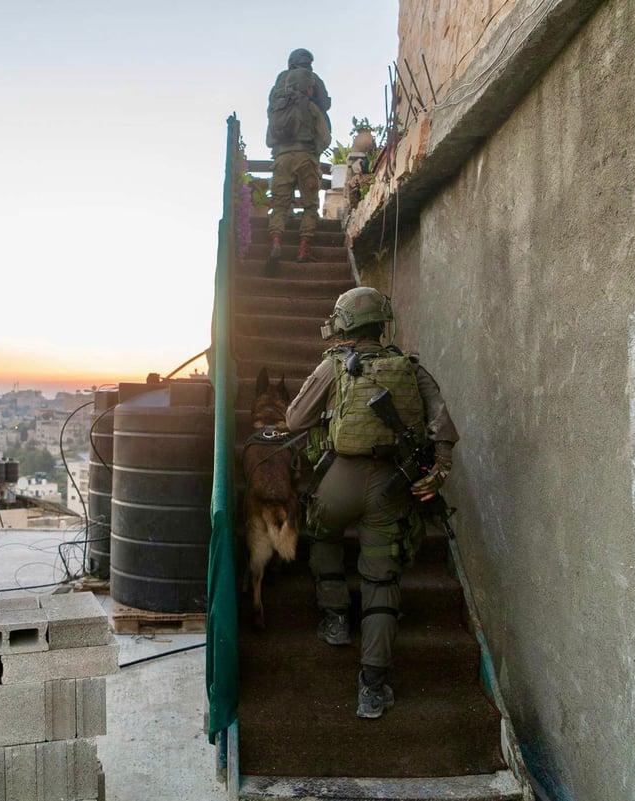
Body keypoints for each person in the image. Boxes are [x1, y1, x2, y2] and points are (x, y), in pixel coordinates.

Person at [284, 286, 458, 719]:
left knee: (321, 532)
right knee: (382, 578)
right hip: (392, 485)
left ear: (343, 324)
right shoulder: (410, 367)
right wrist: (439, 470)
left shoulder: (334, 366)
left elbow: (294, 420)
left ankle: (336, 618)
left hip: (339, 479)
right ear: (382, 324)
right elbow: (443, 425)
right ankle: (372, 686)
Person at [266, 48, 332, 268]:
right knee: (310, 205)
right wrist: (314, 151)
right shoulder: (312, 106)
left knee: (280, 205)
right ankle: (303, 249)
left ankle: (276, 242)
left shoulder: (278, 100)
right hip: (306, 157)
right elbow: (325, 137)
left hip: (282, 157)